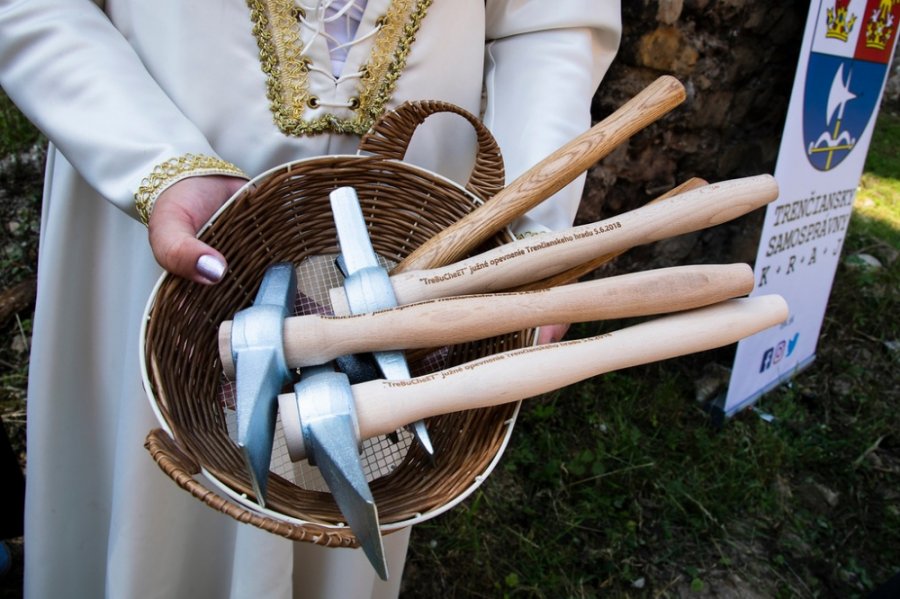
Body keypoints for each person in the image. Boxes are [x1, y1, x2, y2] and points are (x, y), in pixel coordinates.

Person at [0, 1, 621, 596]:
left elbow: (550, 21)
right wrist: (156, 162)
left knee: (366, 465)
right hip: (178, 185)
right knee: (152, 502)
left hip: (405, 213)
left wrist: (532, 234)